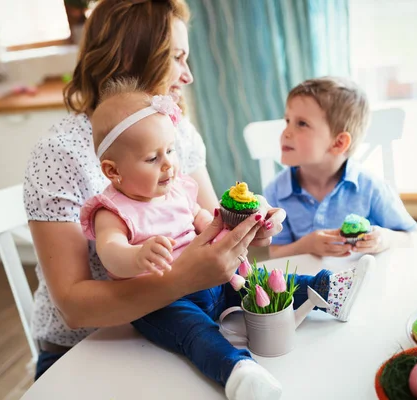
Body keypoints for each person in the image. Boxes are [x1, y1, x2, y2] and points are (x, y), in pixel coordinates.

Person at [24, 0, 286, 380]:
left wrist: (246, 228)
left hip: (189, 318)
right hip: (88, 349)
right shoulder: (59, 154)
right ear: (134, 56)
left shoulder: (176, 133)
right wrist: (180, 278)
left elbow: (212, 228)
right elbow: (75, 308)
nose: (188, 75)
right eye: (177, 58)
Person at [80, 82, 370, 400]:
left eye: (171, 150)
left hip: (212, 280)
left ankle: (329, 288)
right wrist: (136, 256)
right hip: (162, 301)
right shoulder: (112, 210)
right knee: (196, 333)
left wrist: (231, 229)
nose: (168, 164)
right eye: (152, 158)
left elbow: (204, 219)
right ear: (113, 171)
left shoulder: (177, 189)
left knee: (262, 284)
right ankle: (239, 373)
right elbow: (110, 251)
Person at [264, 77, 417, 260]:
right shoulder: (275, 191)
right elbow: (276, 253)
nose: (286, 132)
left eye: (302, 123)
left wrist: (384, 239)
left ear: (338, 143)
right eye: (287, 121)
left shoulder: (371, 188)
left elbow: (410, 238)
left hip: (361, 281)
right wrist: (308, 245)